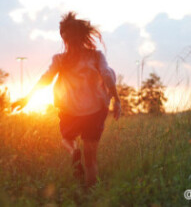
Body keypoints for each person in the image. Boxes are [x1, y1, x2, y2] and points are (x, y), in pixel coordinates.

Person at [12, 11, 121, 188]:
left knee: (67, 139)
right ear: (84, 36)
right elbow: (108, 75)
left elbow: (45, 79)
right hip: (95, 111)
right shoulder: (96, 56)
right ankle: (91, 195)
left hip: (70, 111)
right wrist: (116, 99)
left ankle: (73, 152)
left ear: (64, 38)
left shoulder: (60, 59)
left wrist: (27, 99)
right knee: (91, 159)